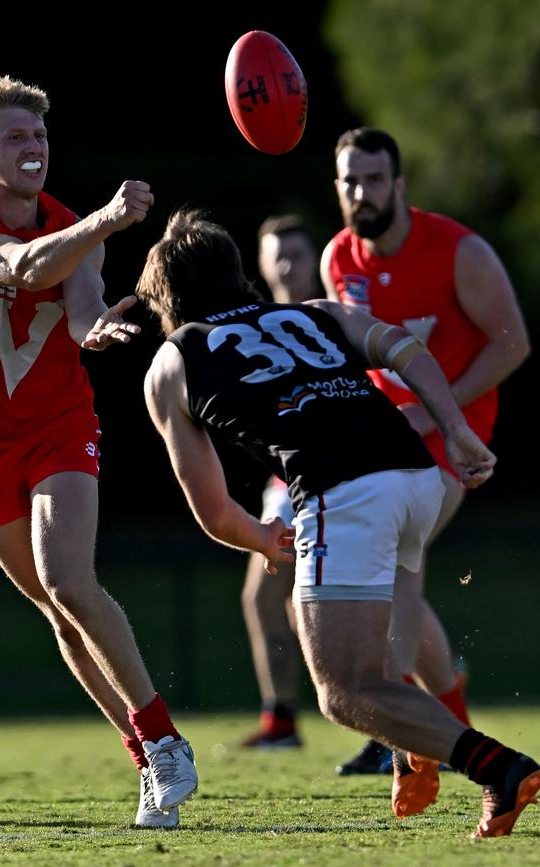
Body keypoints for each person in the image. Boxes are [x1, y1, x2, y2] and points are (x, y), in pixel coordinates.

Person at [136, 207, 539, 838]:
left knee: (343, 692)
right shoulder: (317, 311)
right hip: (418, 478)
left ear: (167, 297)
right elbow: (404, 347)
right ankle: (417, 745)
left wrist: (264, 540)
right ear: (237, 273)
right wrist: (455, 428)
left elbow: (213, 510)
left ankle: (500, 769)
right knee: (365, 650)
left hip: (344, 494)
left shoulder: (172, 361)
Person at [0, 76, 197, 829]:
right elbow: (18, 270)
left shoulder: (73, 225)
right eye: (14, 137)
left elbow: (75, 309)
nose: (32, 147)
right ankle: (145, 758)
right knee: (55, 606)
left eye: (38, 136)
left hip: (56, 423)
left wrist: (93, 330)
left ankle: (166, 740)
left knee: (70, 580)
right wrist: (106, 219)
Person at [320, 126, 531, 775]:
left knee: (395, 557)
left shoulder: (459, 251)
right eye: (350, 181)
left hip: (456, 441)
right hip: (386, 444)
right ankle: (450, 721)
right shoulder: (339, 260)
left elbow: (512, 343)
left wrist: (438, 414)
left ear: (400, 184)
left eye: (374, 179)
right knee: (396, 564)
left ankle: (400, 731)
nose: (362, 192)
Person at [240, 215, 320, 748]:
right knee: (267, 599)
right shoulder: (254, 325)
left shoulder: (331, 318)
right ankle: (282, 720)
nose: (289, 264)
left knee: (315, 604)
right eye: (278, 254)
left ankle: (398, 697)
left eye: (298, 252)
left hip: (332, 480)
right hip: (284, 484)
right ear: (263, 265)